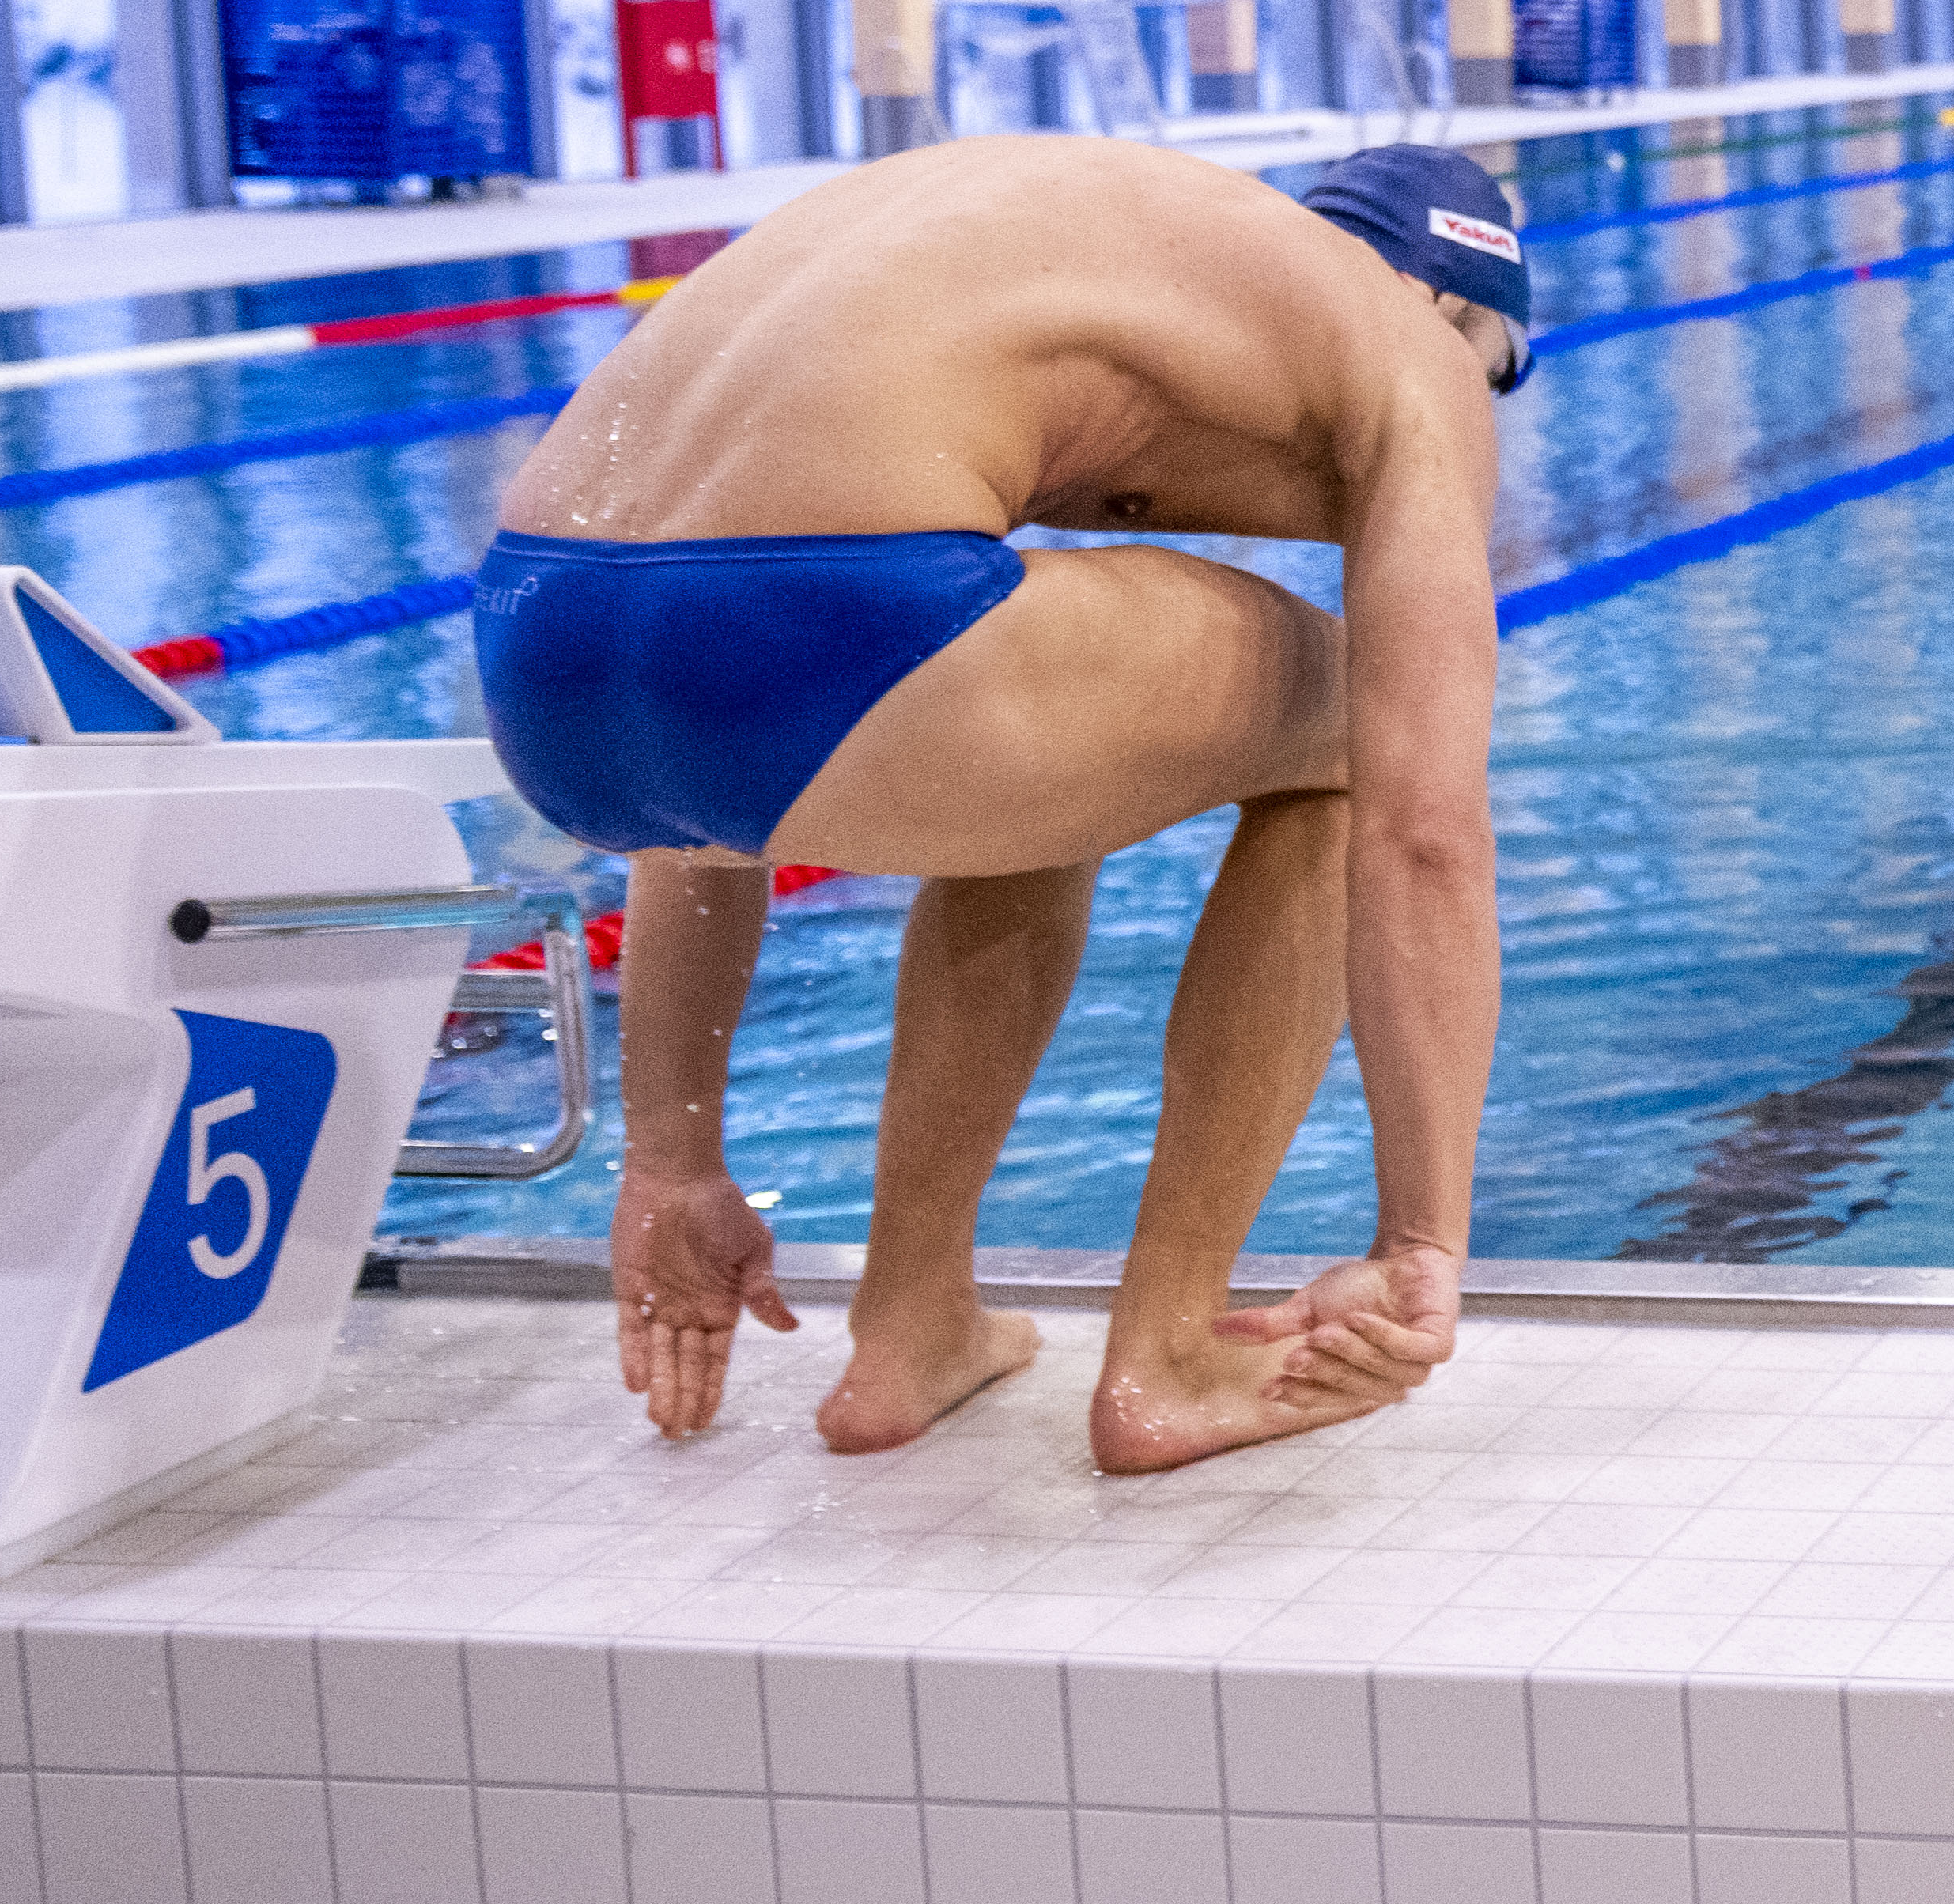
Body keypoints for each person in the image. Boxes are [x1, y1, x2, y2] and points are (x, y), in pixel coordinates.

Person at [474, 137, 1525, 1464]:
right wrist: (1422, 1239)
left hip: (539, 657)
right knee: (1349, 733)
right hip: (825, 618)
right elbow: (1426, 831)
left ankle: (912, 1319)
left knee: (1054, 702)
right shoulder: (1402, 338)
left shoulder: (1106, 268)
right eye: (1497, 381)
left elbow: (702, 729)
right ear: (1456, 311)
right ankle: (1171, 1352)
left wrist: (670, 1159)